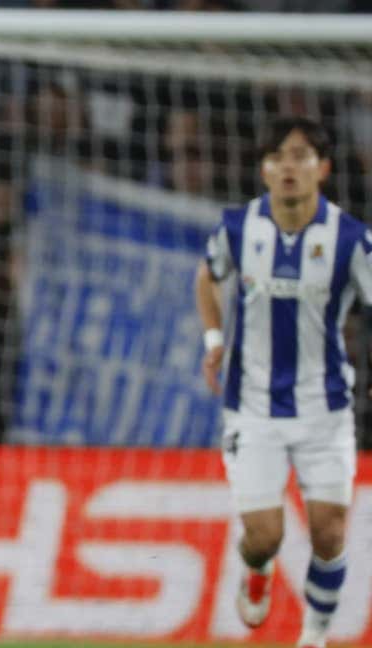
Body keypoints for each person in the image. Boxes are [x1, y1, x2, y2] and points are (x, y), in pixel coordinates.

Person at [196, 116, 367, 648]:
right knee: (264, 535)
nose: (289, 166)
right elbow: (206, 277)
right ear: (264, 170)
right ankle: (257, 568)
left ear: (324, 168)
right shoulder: (237, 229)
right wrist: (214, 340)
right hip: (252, 406)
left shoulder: (352, 240)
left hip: (326, 406)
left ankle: (313, 637)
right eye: (279, 157)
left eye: (301, 155)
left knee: (330, 531)